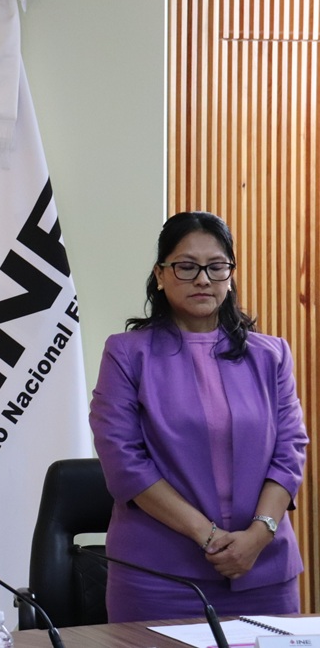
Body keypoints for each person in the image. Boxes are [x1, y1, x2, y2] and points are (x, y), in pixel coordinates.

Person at [89, 211, 308, 622]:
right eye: (186, 267)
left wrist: (258, 535)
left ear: (230, 274)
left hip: (263, 571)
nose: (203, 279)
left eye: (216, 266)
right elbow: (124, 462)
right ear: (160, 274)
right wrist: (209, 537)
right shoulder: (126, 353)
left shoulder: (271, 354)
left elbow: (291, 449)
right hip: (158, 578)